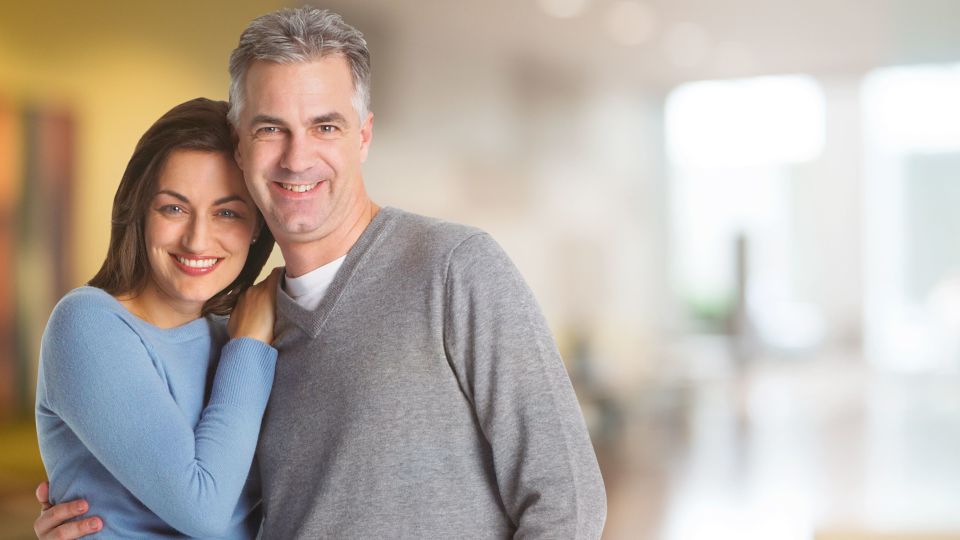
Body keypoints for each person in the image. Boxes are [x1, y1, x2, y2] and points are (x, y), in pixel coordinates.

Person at [39, 6, 607, 538]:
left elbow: (568, 498)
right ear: (240, 144)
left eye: (325, 126)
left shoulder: (455, 269)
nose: (296, 157)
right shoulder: (247, 334)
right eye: (270, 128)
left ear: (363, 135)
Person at [33, 98, 281, 539]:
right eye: (174, 208)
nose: (197, 239)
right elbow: (202, 511)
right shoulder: (88, 322)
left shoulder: (240, 333)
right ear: (140, 210)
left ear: (258, 225)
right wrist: (249, 349)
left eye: (227, 212)